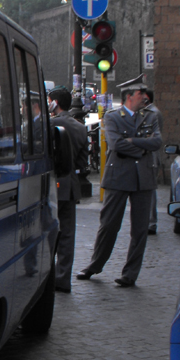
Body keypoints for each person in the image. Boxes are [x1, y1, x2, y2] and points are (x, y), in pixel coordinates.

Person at [76, 74, 162, 287]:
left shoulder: (151, 115)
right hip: (118, 176)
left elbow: (158, 142)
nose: (145, 96)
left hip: (143, 178)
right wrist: (142, 147)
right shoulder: (113, 116)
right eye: (141, 93)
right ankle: (95, 265)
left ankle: (130, 274)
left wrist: (132, 141)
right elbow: (115, 145)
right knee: (109, 225)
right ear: (129, 97)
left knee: (140, 229)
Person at [48, 87, 89, 292]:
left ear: (54, 102)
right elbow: (82, 161)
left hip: (51, 185)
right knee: (67, 234)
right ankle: (64, 278)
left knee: (48, 231)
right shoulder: (80, 128)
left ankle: (46, 275)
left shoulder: (49, 125)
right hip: (70, 186)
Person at [144, 89, 164, 235]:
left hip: (150, 157)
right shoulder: (150, 112)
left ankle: (151, 222)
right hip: (149, 156)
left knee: (149, 190)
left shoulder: (153, 113)